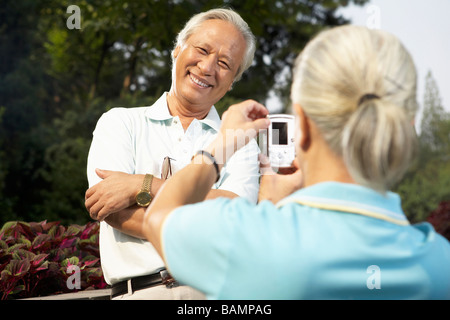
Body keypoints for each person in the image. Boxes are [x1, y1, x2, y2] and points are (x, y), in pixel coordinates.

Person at [142, 25, 450, 299]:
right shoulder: (440, 264)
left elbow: (159, 217)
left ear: (300, 124)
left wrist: (220, 147)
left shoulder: (246, 238)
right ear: (407, 128)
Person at [85, 8, 258, 300]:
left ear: (232, 81)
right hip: (139, 294)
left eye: (225, 63)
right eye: (202, 49)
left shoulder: (240, 140)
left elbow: (234, 217)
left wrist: (142, 185)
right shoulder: (119, 122)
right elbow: (112, 211)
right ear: (177, 49)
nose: (207, 67)